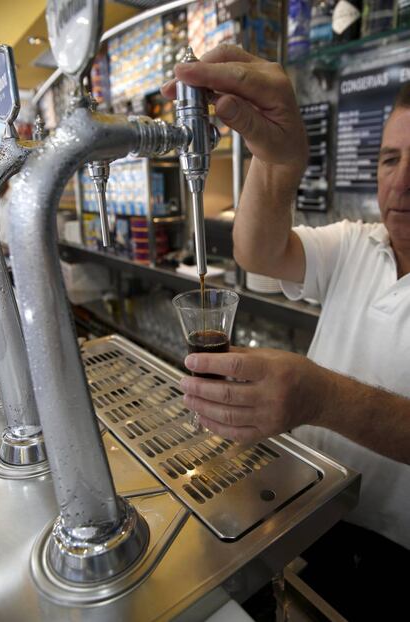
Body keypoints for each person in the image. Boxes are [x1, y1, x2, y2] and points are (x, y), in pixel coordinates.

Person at [162, 45, 410, 620]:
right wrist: (275, 162)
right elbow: (259, 251)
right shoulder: (359, 243)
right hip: (317, 518)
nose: (401, 184)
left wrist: (320, 397)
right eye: (390, 159)